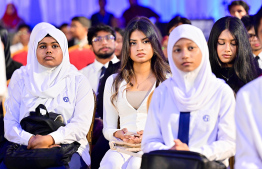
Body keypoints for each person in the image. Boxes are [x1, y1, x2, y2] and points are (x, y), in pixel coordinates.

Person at [1, 22, 94, 168]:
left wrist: (51, 139)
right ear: (34, 50)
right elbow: (10, 123)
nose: (49, 50)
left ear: (63, 49)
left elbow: (80, 125)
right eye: (43, 46)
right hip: (25, 145)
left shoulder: (78, 81)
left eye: (55, 46)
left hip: (67, 146)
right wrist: (31, 140)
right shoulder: (21, 78)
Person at [141, 24, 236, 167]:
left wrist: (192, 154)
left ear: (203, 49)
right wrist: (171, 151)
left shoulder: (221, 91)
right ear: (170, 54)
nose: (185, 55)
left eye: (191, 48)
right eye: (177, 50)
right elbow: (149, 142)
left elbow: (229, 143)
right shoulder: (162, 92)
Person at [99, 16, 170, 169]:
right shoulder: (113, 81)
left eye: (145, 41)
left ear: (154, 44)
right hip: (122, 147)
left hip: (155, 146)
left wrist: (152, 134)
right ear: (127, 47)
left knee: (137, 165)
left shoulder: (167, 80)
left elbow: (174, 124)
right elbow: (108, 128)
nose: (140, 47)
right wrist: (119, 134)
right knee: (109, 164)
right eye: (133, 43)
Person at [208, 16, 260, 94]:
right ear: (214, 43)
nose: (227, 49)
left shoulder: (256, 76)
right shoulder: (206, 75)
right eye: (221, 43)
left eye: (233, 43)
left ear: (241, 44)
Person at [80, 24, 119, 94]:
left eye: (108, 38)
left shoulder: (127, 70)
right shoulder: (82, 75)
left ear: (116, 43)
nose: (104, 43)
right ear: (91, 47)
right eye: (97, 39)